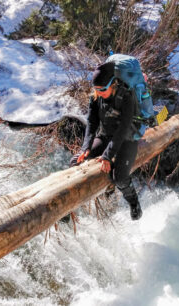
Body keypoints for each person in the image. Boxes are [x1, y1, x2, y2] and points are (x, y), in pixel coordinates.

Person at [71, 61, 142, 221]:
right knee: (75, 162)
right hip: (105, 135)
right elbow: (92, 122)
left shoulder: (126, 97)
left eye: (102, 89)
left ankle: (133, 202)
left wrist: (107, 156)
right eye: (96, 89)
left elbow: (123, 129)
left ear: (113, 83)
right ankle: (68, 211)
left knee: (120, 177)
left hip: (127, 139)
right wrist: (85, 148)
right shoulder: (96, 97)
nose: (99, 92)